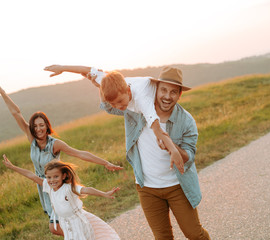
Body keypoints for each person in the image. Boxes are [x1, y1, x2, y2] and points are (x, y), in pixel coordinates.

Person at [48, 66, 210, 239]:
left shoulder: (186, 121)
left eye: (173, 92)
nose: (167, 96)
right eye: (163, 90)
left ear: (179, 95)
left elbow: (189, 156)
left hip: (177, 186)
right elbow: (110, 103)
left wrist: (174, 150)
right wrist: (82, 75)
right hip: (147, 188)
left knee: (195, 234)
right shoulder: (134, 110)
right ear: (156, 90)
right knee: (162, 237)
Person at [0, 74, 123, 236]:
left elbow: (79, 153)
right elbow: (16, 113)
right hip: (44, 186)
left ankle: (86, 232)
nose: (38, 129)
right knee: (57, 226)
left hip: (56, 185)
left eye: (41, 125)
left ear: (47, 126)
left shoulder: (55, 144)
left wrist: (105, 163)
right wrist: (1, 91)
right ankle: (82, 232)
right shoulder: (31, 139)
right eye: (35, 126)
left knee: (57, 226)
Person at [44, 65, 184, 174]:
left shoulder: (142, 99)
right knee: (111, 104)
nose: (119, 107)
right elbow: (87, 70)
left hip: (158, 101)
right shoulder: (110, 82)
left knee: (157, 131)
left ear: (128, 91)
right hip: (137, 104)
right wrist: (62, 68)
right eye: (114, 104)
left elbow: (157, 128)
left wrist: (173, 150)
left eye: (121, 102)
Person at [2, 154, 120, 240]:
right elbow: (32, 176)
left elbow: (86, 190)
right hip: (65, 224)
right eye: (49, 177)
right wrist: (13, 167)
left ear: (63, 176)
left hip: (77, 223)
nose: (52, 180)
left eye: (55, 177)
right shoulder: (48, 187)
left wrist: (104, 194)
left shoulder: (69, 188)